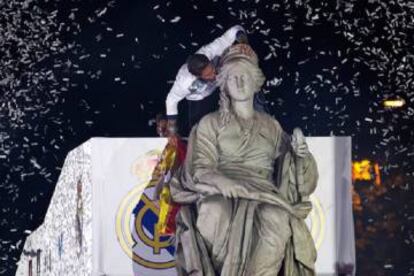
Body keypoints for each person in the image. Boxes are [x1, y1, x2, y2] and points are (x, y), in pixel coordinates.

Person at [169, 44, 319, 275]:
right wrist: (224, 183)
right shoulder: (210, 123)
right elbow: (200, 168)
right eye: (232, 77)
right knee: (213, 211)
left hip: (263, 191)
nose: (239, 83)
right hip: (222, 189)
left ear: (255, 81)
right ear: (224, 85)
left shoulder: (271, 126)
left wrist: (301, 157)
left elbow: (295, 177)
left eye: (245, 77)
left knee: (277, 218)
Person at [165, 25, 251, 137]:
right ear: (197, 76)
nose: (213, 75)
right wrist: (172, 131)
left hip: (220, 86)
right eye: (208, 75)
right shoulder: (184, 82)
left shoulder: (211, 51)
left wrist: (243, 43)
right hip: (199, 99)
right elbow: (171, 100)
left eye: (212, 69)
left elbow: (235, 30)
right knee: (199, 133)